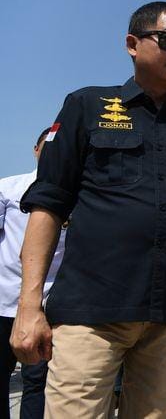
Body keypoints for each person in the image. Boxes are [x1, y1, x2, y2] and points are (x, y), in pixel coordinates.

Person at [11, 1, 166, 418]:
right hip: (91, 313)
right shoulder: (86, 106)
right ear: (133, 44)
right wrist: (29, 306)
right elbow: (47, 204)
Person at [0, 128, 66, 419]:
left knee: (37, 382)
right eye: (46, 147)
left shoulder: (80, 197)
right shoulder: (8, 189)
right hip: (4, 301)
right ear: (36, 150)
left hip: (50, 305)